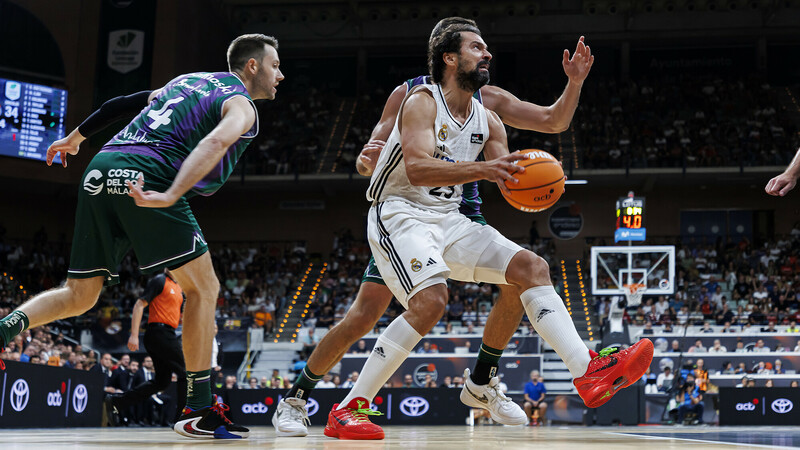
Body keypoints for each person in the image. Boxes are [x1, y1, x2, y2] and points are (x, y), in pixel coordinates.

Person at [322, 20, 651, 440]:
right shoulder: (420, 100)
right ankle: (350, 407)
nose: (487, 53)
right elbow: (419, 168)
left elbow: (541, 136)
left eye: (487, 47)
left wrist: (574, 85)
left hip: (449, 215)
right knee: (429, 302)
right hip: (401, 211)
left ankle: (587, 371)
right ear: (450, 57)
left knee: (531, 267)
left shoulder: (488, 115)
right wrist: (487, 168)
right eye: (477, 47)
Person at [0, 33, 284, 439]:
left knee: (81, 295)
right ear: (252, 66)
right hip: (145, 172)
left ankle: (5, 329)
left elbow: (122, 105)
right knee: (204, 288)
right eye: (275, 65)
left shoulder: (187, 81)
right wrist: (171, 193)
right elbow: (217, 140)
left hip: (100, 167)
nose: (281, 74)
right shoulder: (241, 105)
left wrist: (76, 138)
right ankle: (199, 408)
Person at [107, 270, 188, 426]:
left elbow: (179, 318)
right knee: (185, 371)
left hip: (167, 333)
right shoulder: (159, 281)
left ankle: (117, 402)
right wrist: (134, 335)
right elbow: (139, 304)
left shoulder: (179, 288)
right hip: (159, 332)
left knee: (162, 382)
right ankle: (182, 420)